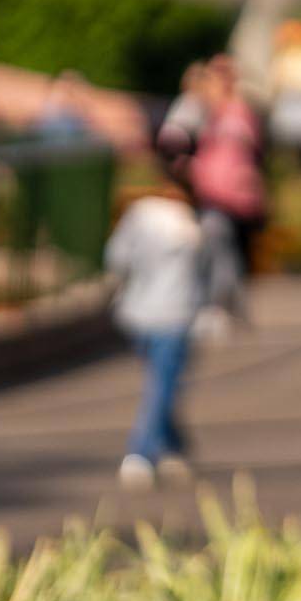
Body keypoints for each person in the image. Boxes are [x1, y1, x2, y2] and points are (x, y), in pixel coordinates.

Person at [103, 172, 217, 487]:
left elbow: (116, 259)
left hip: (138, 313)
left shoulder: (138, 217)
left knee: (161, 382)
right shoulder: (196, 227)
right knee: (162, 386)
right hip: (176, 315)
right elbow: (212, 276)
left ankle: (173, 448)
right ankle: (140, 453)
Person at [181, 58, 270, 306]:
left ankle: (223, 299)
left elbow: (248, 146)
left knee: (224, 245)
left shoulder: (238, 111)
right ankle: (223, 298)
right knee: (217, 241)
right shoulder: (201, 111)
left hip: (234, 195)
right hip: (212, 193)